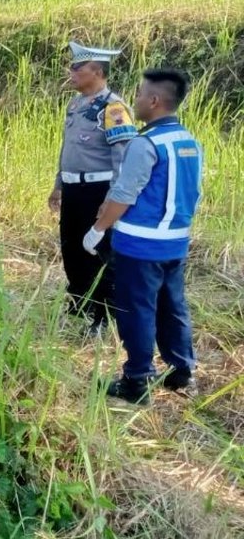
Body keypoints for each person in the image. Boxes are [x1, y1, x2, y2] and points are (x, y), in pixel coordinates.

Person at [85, 68, 202, 405]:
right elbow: (194, 193)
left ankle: (137, 379)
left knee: (136, 310)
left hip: (140, 245)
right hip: (175, 242)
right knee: (173, 306)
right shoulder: (188, 141)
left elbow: (124, 195)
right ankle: (182, 372)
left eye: (138, 94)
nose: (134, 100)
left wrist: (97, 230)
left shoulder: (145, 143)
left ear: (154, 101)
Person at [48, 41, 137, 338]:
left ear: (97, 71)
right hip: (74, 189)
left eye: (77, 67)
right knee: (71, 249)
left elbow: (123, 158)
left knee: (98, 253)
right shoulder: (76, 105)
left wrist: (112, 198)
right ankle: (80, 306)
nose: (71, 72)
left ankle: (102, 316)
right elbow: (67, 150)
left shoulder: (113, 107)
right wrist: (58, 185)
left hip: (98, 190)